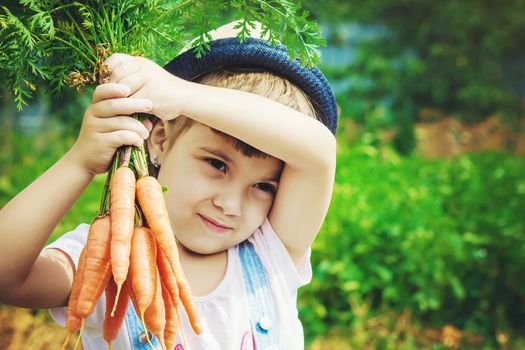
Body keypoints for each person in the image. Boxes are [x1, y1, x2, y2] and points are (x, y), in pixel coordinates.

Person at [0, 21, 337, 349]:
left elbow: (319, 152)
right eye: (217, 164)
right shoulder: (106, 260)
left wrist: (181, 96)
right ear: (159, 138)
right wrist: (80, 163)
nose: (231, 205)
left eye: (264, 186)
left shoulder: (272, 253)